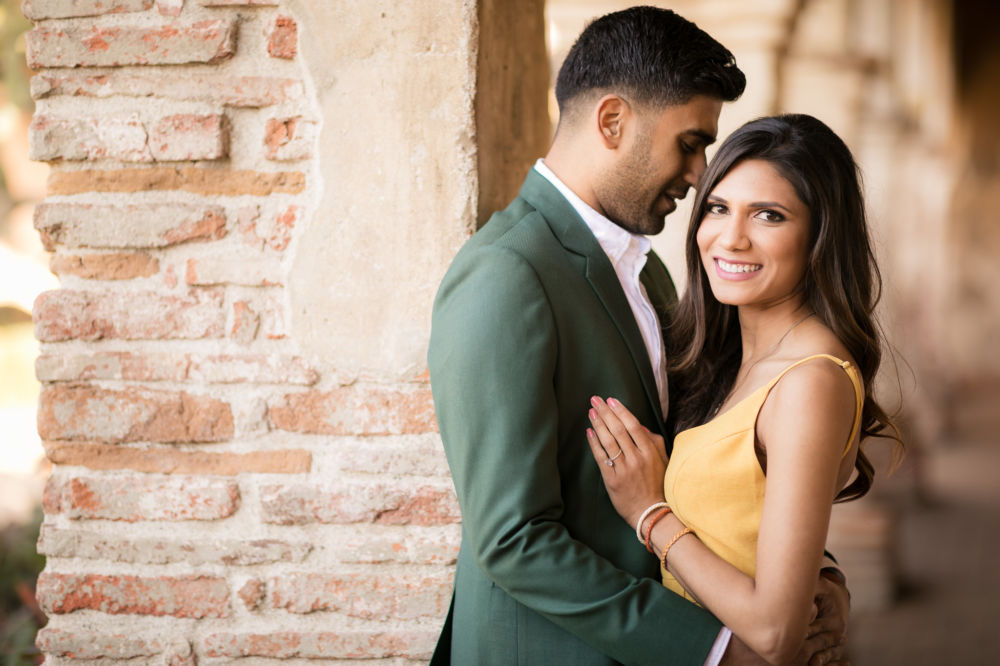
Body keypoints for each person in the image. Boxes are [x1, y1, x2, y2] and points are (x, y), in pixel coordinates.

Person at [428, 8, 848, 665]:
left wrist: (812, 576)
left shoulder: (645, 268)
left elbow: (714, 458)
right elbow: (513, 540)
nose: (698, 171)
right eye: (689, 142)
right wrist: (717, 650)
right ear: (614, 121)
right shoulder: (506, 275)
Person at [586, 114, 901, 664]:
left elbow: (776, 635)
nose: (730, 238)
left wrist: (650, 514)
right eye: (717, 207)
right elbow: (748, 519)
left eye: (769, 216)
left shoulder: (810, 382)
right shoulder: (727, 354)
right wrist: (821, 575)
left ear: (820, 233)